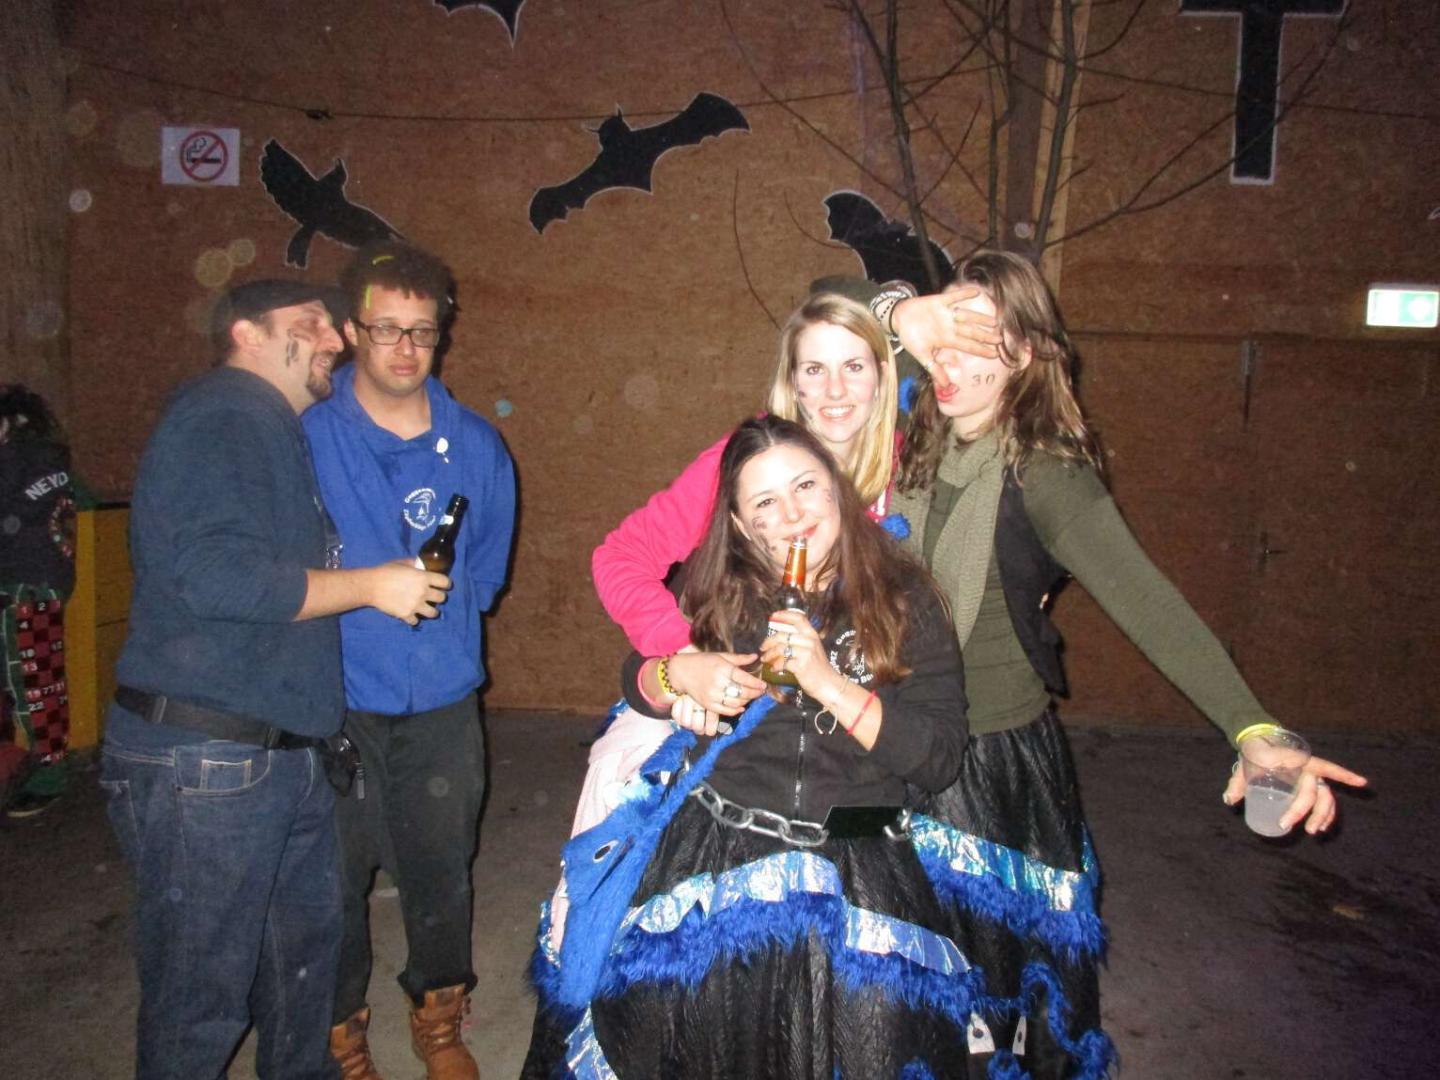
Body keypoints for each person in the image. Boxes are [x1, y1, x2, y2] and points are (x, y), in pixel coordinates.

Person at [878, 249, 1369, 1077]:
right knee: (900, 991)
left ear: (1027, 353)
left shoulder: (1044, 473)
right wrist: (899, 313)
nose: (949, 361)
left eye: (979, 340)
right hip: (891, 736)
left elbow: (1150, 602)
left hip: (986, 765)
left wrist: (1253, 728)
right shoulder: (913, 440)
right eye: (943, 337)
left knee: (988, 1001)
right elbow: (826, 310)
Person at [524, 415, 976, 1077]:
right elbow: (637, 680)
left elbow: (938, 761)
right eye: (766, 501)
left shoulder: (906, 599)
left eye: (806, 487)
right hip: (716, 854)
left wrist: (826, 680)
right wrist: (680, 675)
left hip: (857, 867)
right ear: (740, 523)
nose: (792, 515)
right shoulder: (720, 592)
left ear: (838, 489)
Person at [99, 280, 449, 1080]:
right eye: (310, 324)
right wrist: (371, 585)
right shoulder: (224, 415)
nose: (335, 339)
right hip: (206, 758)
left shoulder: (268, 428)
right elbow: (216, 577)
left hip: (275, 756)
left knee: (302, 977)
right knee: (201, 1000)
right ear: (246, 334)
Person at [302, 241, 516, 1080]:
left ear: (440, 336)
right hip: (332, 700)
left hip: (441, 702)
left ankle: (439, 1018)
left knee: (439, 870)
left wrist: (440, 642)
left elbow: (484, 572)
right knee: (331, 880)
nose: (404, 348)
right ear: (353, 331)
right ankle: (340, 1032)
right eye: (386, 329)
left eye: (421, 332)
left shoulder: (476, 445)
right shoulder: (306, 436)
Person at [0, 384, 88, 817]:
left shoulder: (11, 460)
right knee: (42, 681)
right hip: (50, 579)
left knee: (28, 682)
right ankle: (46, 770)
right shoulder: (55, 460)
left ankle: (48, 777)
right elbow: (85, 500)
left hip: (20, 582)